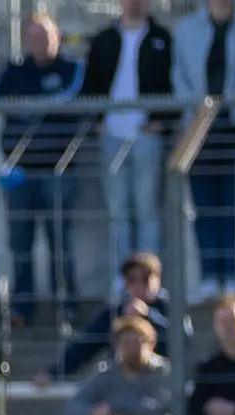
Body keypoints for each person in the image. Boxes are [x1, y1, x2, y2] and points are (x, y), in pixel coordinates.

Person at [0, 13, 82, 324]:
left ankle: (65, 304)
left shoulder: (71, 70)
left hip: (58, 170)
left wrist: (27, 106)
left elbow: (70, 99)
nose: (39, 43)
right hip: (19, 172)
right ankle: (21, 307)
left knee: (60, 241)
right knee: (20, 243)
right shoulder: (15, 70)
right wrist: (42, 106)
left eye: (45, 37)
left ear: (56, 37)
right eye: (33, 38)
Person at [174, 0, 235, 296]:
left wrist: (229, 104)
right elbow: (180, 77)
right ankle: (210, 276)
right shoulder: (187, 30)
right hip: (197, 131)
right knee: (205, 206)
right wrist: (200, 111)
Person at [83, 0, 173, 268]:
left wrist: (160, 120)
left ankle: (149, 280)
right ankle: (120, 283)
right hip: (112, 135)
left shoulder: (162, 38)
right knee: (117, 213)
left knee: (147, 211)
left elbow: (172, 82)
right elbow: (91, 84)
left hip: (147, 135)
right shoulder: (103, 40)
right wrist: (97, 121)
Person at [36, 252, 170, 385]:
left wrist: (148, 315)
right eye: (132, 279)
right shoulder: (116, 312)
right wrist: (53, 373)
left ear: (158, 278)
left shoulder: (170, 308)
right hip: (124, 384)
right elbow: (85, 345)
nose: (139, 285)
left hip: (161, 381)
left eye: (146, 278)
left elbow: (181, 342)